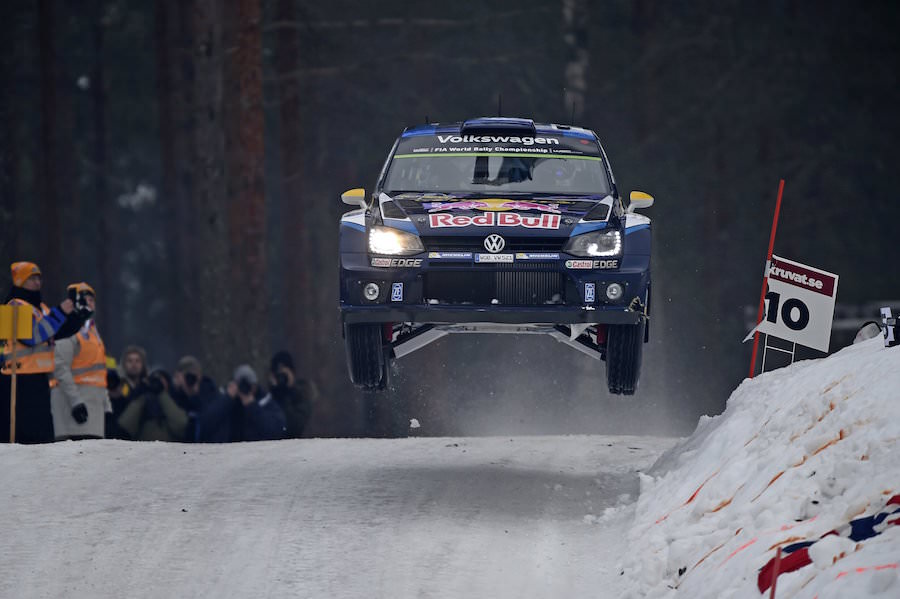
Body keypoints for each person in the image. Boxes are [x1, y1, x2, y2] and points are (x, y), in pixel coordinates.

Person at [1, 262, 76, 443]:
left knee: (41, 435)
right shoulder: (15, 305)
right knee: (25, 434)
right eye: (32, 278)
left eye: (39, 278)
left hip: (38, 377)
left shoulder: (40, 307)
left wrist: (76, 317)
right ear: (20, 281)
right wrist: (60, 312)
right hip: (18, 378)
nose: (37, 282)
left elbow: (56, 331)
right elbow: (33, 336)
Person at [50, 283, 112, 440]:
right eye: (85, 300)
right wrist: (76, 402)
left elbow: (98, 373)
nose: (90, 303)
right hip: (73, 409)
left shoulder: (92, 331)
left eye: (92, 300)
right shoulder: (69, 328)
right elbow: (60, 368)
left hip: (93, 409)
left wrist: (107, 407)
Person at [197, 364, 286, 442]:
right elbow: (205, 424)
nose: (245, 388)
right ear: (234, 384)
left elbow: (277, 430)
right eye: (242, 385)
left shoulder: (264, 400)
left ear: (255, 384)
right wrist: (227, 399)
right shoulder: (223, 397)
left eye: (249, 385)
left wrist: (252, 406)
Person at [115, 353, 189, 442]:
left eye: (161, 380)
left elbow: (181, 426)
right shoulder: (142, 400)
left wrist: (162, 394)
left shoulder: (177, 400)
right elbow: (124, 427)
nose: (156, 383)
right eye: (154, 380)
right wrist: (142, 395)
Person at [170, 355, 223, 442]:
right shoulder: (175, 393)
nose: (191, 379)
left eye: (194, 374)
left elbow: (208, 418)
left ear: (200, 375)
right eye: (187, 375)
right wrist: (179, 389)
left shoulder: (209, 390)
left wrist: (195, 393)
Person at [268, 350, 315, 438]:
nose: (281, 379)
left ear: (292, 373)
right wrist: (274, 390)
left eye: (284, 375)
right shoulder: (266, 396)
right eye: (278, 375)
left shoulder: (302, 394)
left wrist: (286, 392)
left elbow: (295, 427)